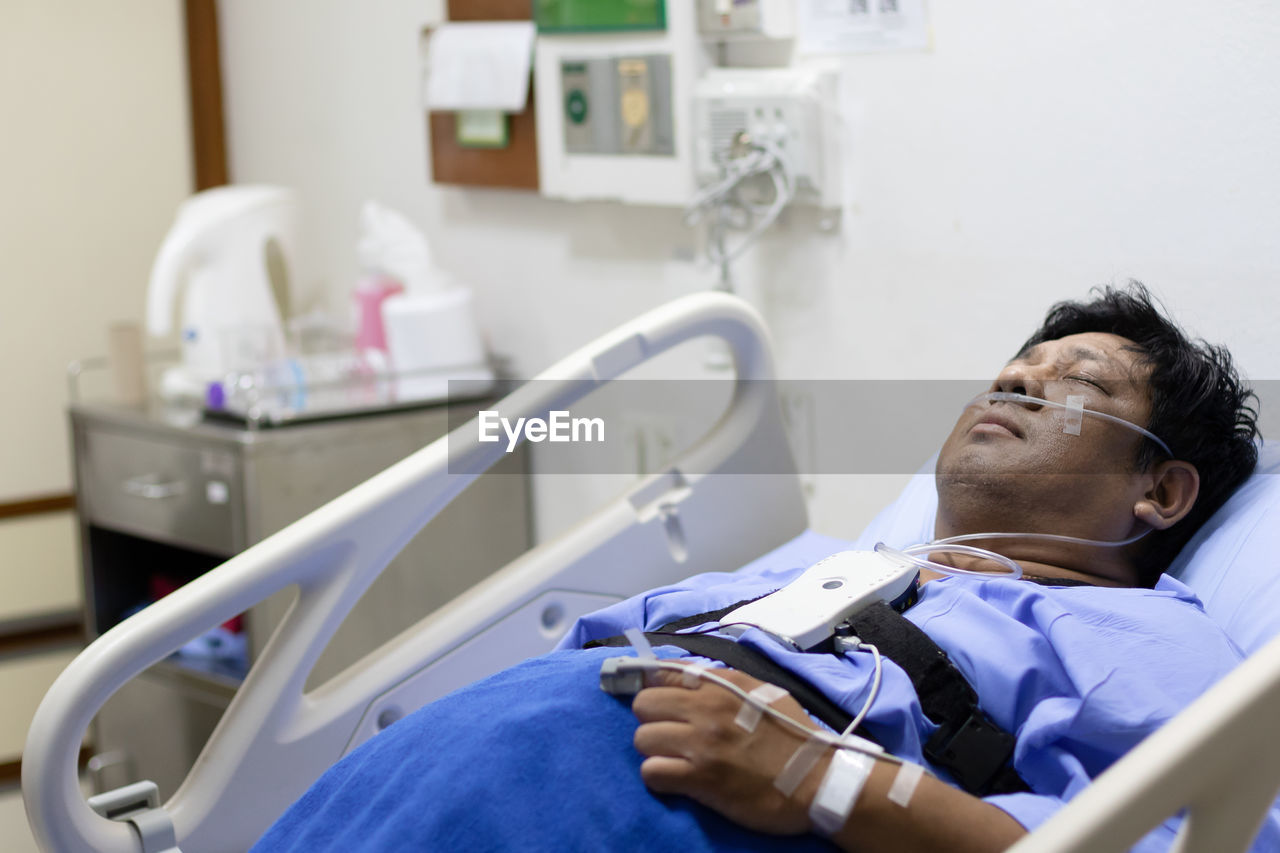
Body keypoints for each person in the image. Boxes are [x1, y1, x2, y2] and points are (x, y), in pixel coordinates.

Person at [252, 284, 1268, 853]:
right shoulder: (834, 563)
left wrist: (821, 781)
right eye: (1015, 366)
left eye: (1075, 382)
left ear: (1160, 493)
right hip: (441, 777)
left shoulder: (1146, 636)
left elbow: (1191, 844)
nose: (1015, 376)